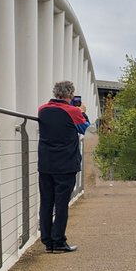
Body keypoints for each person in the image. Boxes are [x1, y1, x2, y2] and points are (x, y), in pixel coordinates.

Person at [37, 80, 89, 253]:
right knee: (61, 204)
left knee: (46, 202)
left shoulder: (42, 110)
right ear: (70, 94)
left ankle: (47, 241)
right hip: (66, 164)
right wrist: (83, 112)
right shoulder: (73, 111)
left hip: (45, 163)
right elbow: (84, 129)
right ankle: (58, 241)